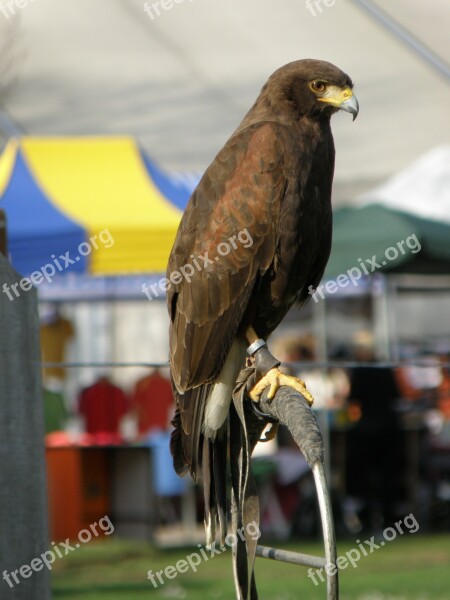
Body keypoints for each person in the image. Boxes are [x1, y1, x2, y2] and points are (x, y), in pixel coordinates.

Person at [346, 331, 401, 532]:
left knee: (366, 477)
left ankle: (368, 520)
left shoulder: (360, 370)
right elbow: (396, 395)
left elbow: (353, 399)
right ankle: (389, 520)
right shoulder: (383, 368)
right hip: (389, 429)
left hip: (368, 431)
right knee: (388, 476)